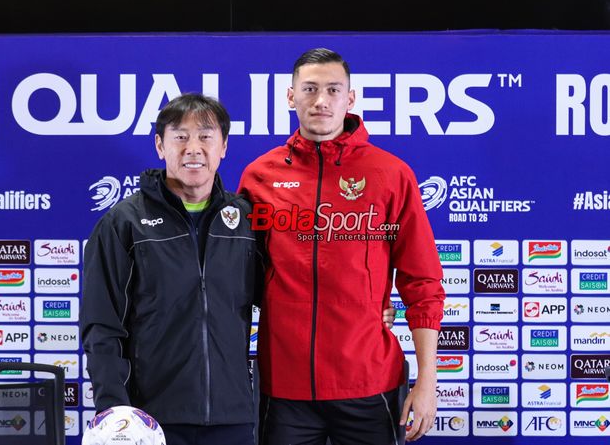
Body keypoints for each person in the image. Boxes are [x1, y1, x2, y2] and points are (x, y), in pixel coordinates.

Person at [239, 48, 446, 445]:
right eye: (310, 89)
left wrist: (427, 383)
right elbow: (234, 279)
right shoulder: (258, 176)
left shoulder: (391, 174)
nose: (321, 100)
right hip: (285, 389)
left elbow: (423, 281)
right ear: (290, 96)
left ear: (350, 98)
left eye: (333, 89)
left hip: (369, 382)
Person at [80, 93, 260, 445]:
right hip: (150, 421)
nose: (193, 148)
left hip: (233, 417)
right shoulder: (124, 222)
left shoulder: (246, 220)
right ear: (160, 146)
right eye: (180, 137)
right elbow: (102, 326)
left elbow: (287, 295)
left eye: (206, 137)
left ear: (223, 146)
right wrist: (116, 415)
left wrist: (362, 306)